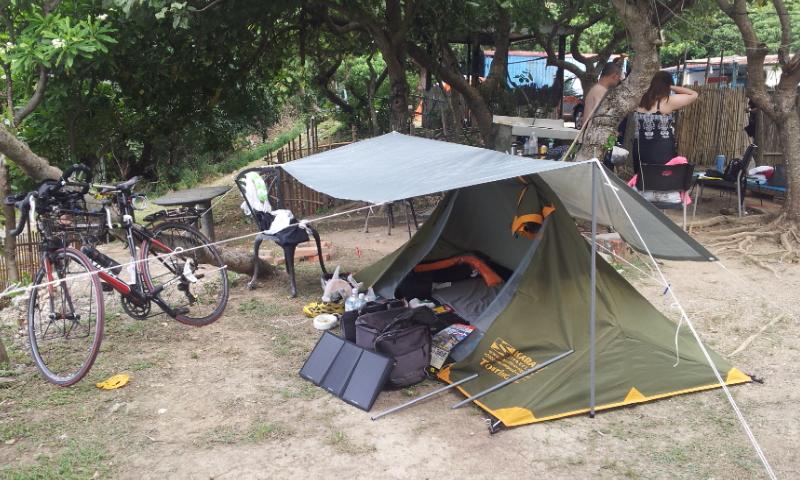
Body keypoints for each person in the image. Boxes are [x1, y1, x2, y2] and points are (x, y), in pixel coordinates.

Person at [632, 71, 698, 173]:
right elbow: (694, 94)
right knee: (662, 179)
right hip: (661, 149)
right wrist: (671, 86)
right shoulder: (667, 101)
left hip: (640, 149)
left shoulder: (640, 99)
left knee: (642, 178)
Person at [583, 62, 623, 127]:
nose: (619, 80)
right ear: (615, 76)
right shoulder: (601, 91)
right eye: (619, 77)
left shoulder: (595, 89)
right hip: (594, 130)